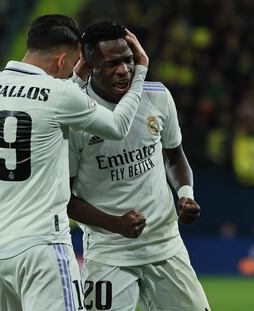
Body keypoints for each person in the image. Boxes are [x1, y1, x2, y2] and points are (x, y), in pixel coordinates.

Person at [0, 14, 149, 311]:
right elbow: (117, 126)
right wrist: (140, 71)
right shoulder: (60, 94)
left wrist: (71, 79)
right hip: (42, 248)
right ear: (63, 58)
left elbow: (34, 106)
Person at [68, 21, 210, 311]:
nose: (124, 70)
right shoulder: (75, 114)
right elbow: (63, 197)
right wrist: (115, 224)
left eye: (128, 60)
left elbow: (174, 156)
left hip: (165, 246)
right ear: (90, 66)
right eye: (111, 64)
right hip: (108, 254)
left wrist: (185, 194)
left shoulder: (157, 95)